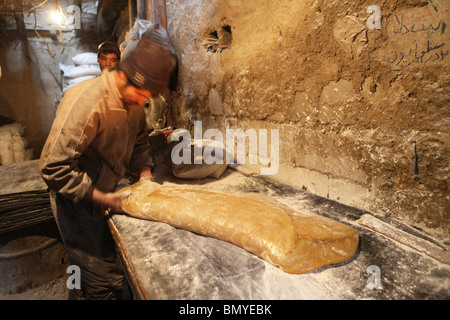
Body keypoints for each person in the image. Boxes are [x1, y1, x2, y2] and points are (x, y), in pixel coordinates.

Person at [40, 36, 177, 300]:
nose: (142, 102)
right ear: (124, 77)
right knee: (104, 280)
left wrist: (145, 173)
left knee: (90, 272)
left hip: (105, 189)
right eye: (141, 94)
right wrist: (102, 198)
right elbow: (53, 167)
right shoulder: (87, 102)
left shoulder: (134, 100)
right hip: (76, 201)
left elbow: (139, 141)